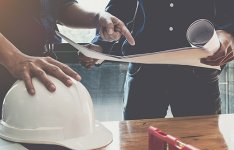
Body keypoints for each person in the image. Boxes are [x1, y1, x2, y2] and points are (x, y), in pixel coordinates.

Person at [80, 0, 234, 120]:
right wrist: (99, 44)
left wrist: (229, 34)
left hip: (198, 70)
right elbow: (120, 7)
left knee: (203, 147)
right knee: (137, 146)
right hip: (145, 70)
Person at [0, 0, 135, 117]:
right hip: (7, 66)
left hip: (44, 67)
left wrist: (98, 17)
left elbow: (61, 6)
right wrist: (13, 57)